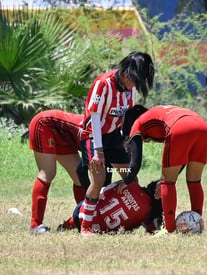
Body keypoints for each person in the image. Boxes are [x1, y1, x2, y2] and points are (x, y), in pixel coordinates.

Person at [78, 51, 155, 236]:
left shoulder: (129, 89)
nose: (135, 86)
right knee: (99, 179)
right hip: (93, 136)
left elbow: (125, 117)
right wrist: (98, 151)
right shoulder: (102, 84)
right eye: (135, 81)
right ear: (127, 73)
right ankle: (86, 226)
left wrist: (128, 141)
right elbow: (94, 118)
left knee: (131, 179)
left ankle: (122, 218)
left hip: (113, 136)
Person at [121, 105, 207, 236]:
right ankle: (196, 222)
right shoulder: (156, 113)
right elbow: (182, 159)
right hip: (203, 126)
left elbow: (135, 162)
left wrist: (127, 181)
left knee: (167, 183)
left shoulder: (137, 124)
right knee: (194, 181)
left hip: (180, 127)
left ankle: (168, 229)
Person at [29, 110, 87, 235]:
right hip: (44, 124)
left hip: (64, 136)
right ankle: (35, 225)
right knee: (48, 172)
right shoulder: (97, 135)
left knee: (80, 177)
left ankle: (83, 221)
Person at [59, 180, 163, 234]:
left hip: (82, 213)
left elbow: (102, 192)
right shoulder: (149, 213)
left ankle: (65, 226)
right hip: (98, 230)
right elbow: (152, 230)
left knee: (94, 203)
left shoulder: (130, 185)